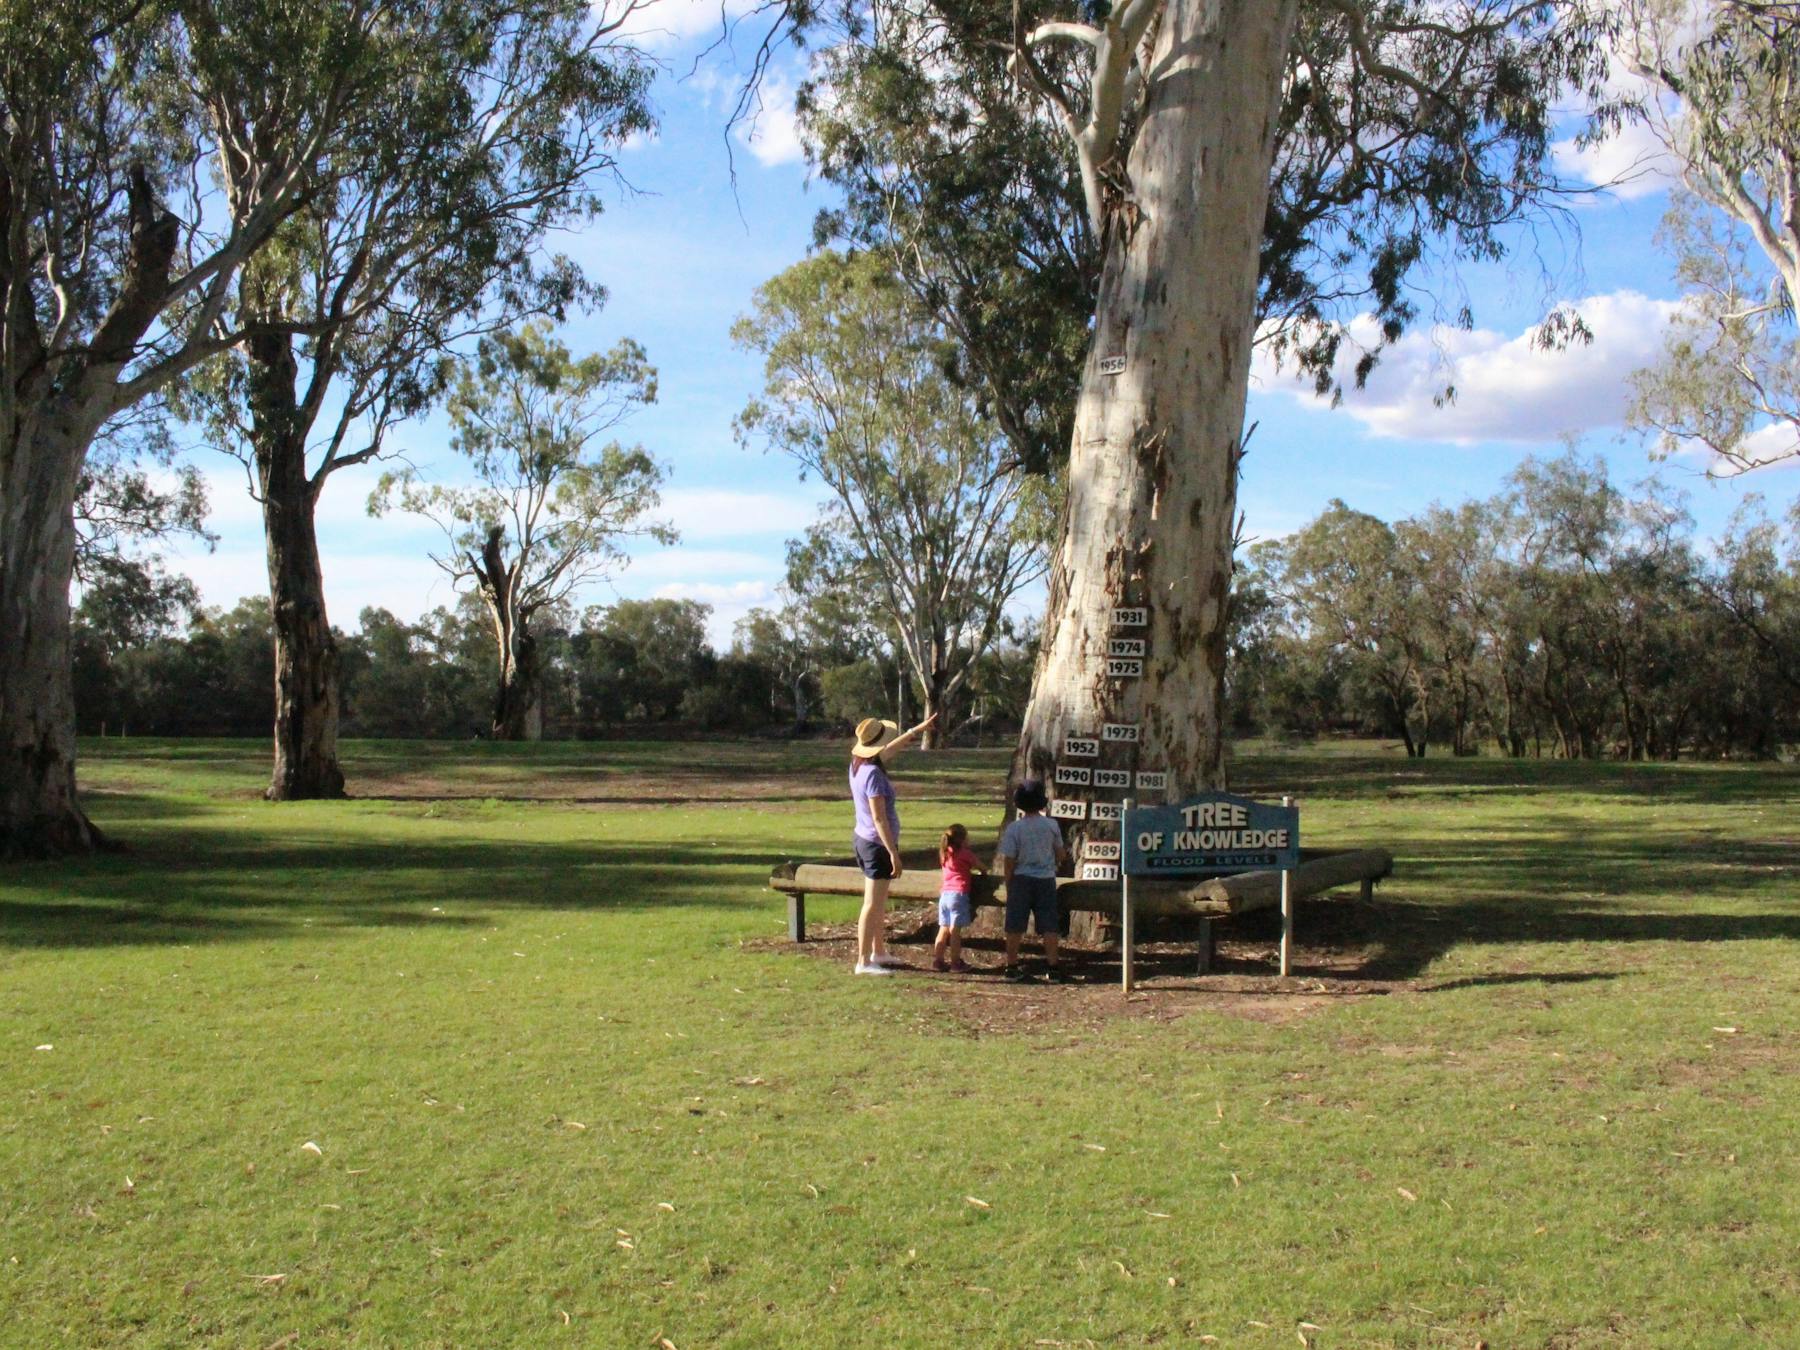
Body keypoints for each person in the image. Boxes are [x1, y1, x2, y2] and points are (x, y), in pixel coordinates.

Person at [847, 712, 937, 974]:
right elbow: (879, 818)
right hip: (876, 845)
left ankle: (878, 951)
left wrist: (917, 729)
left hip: (863, 840)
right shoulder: (873, 774)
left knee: (878, 902)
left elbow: (890, 749)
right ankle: (863, 961)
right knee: (872, 904)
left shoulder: (859, 764)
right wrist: (892, 853)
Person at [997, 779, 1071, 983]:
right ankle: (1053, 967)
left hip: (1021, 878)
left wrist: (1009, 882)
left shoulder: (1014, 828)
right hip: (1045, 879)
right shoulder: (1051, 825)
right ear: (1041, 802)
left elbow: (1009, 859)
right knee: (1049, 925)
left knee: (1014, 925)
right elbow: (1060, 853)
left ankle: (1011, 966)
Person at [932, 824, 983, 973]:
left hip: (945, 896)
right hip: (958, 895)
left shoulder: (944, 853)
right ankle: (955, 963)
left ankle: (938, 961)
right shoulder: (965, 854)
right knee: (955, 932)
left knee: (943, 929)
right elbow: (981, 866)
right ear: (962, 840)